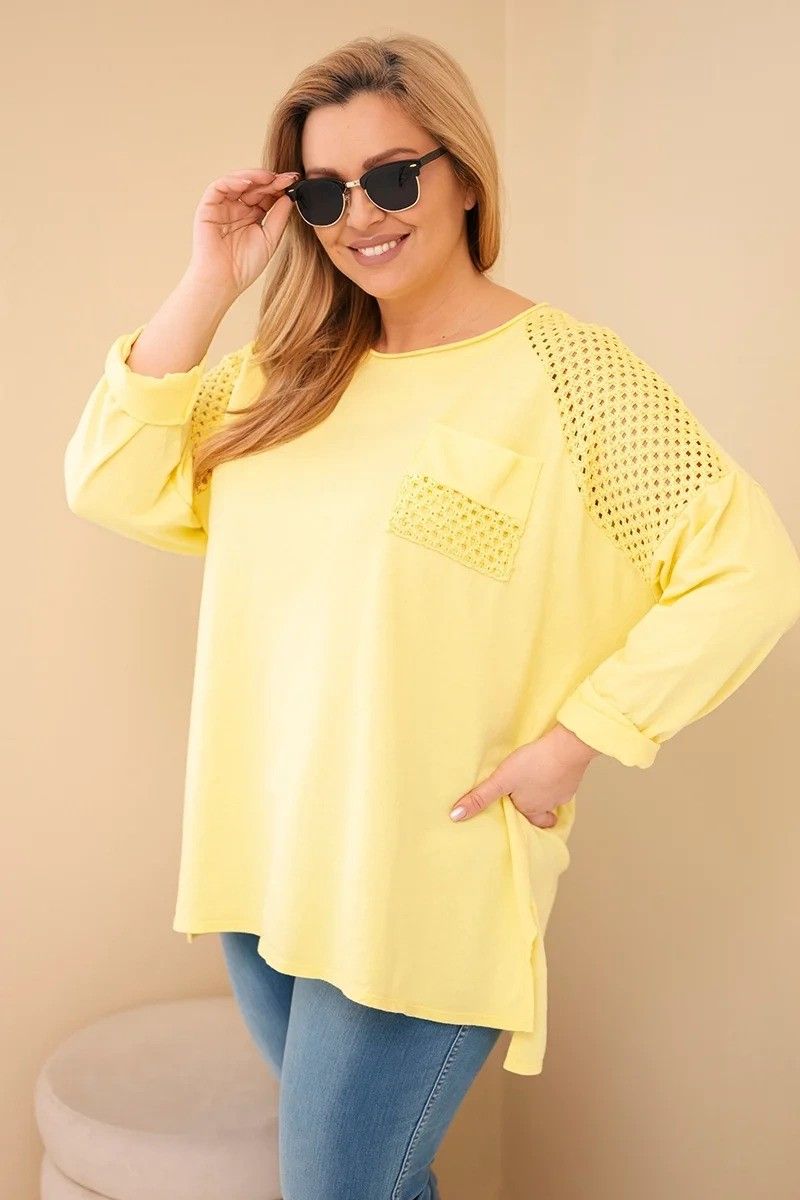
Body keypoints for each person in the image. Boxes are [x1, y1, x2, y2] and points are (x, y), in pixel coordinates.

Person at [63, 31, 800, 1200]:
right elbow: (106, 480)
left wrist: (578, 740)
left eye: (392, 176)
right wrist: (211, 278)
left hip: (421, 881)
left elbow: (747, 568)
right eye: (323, 192)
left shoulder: (566, 372)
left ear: (462, 175)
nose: (359, 214)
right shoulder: (284, 374)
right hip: (267, 863)